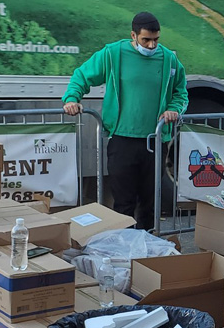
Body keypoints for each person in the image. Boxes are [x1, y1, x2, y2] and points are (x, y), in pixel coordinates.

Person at [62, 12, 187, 231]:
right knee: (123, 202)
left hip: (155, 141)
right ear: (133, 35)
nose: (151, 45)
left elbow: (180, 91)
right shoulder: (113, 53)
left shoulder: (169, 58)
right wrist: (72, 98)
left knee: (150, 203)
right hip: (121, 140)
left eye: (156, 40)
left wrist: (174, 109)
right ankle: (124, 244)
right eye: (146, 40)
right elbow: (82, 75)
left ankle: (148, 244)